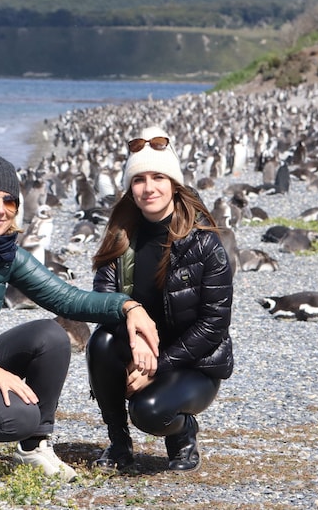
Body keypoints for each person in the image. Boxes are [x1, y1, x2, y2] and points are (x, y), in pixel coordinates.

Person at [0, 149, 159, 481]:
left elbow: (66, 298)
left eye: (9, 202)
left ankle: (35, 447)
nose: (0, 209)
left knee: (51, 336)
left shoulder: (5, 253)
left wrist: (127, 306)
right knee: (20, 417)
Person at [86, 126, 234, 472]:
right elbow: (104, 303)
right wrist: (136, 345)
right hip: (141, 350)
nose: (148, 187)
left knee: (150, 413)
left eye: (158, 177)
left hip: (194, 363)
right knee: (101, 343)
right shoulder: (121, 238)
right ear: (130, 188)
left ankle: (183, 433)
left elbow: (213, 325)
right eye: (139, 179)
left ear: (174, 184)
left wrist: (157, 365)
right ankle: (118, 444)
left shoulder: (205, 245)